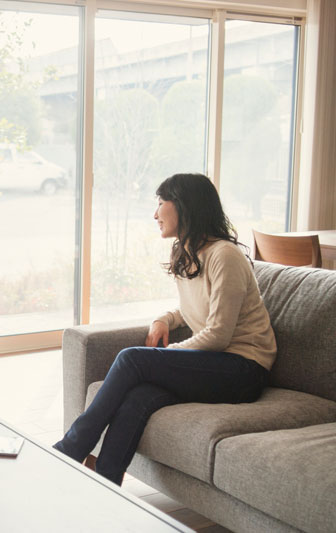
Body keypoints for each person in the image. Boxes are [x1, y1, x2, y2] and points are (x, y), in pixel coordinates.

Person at [53, 173, 276, 485]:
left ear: (184, 207)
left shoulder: (224, 255)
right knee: (138, 397)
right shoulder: (186, 251)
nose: (155, 213)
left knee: (134, 359)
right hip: (218, 364)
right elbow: (191, 310)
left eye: (160, 203)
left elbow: (219, 334)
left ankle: (68, 449)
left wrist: (165, 356)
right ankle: (104, 484)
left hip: (243, 370)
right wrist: (164, 320)